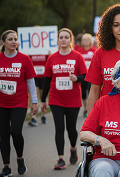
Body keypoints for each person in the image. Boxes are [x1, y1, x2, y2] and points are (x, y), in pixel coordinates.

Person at [40, 28, 87, 169]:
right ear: (58, 40)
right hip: (56, 98)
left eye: (66, 37)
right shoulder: (52, 58)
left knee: (71, 129)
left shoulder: (77, 56)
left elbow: (85, 77)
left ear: (71, 40)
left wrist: (76, 78)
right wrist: (43, 100)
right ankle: (60, 158)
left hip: (73, 98)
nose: (63, 39)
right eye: (61, 37)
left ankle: (73, 148)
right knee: (59, 127)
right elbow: (47, 80)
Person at [0, 30, 38, 176]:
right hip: (0, 102)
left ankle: (20, 158)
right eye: (10, 39)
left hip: (19, 101)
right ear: (3, 42)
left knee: (16, 131)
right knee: (4, 134)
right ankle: (6, 167)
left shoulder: (25, 59)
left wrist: (34, 101)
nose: (13, 42)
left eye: (15, 39)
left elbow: (30, 82)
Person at [76, 33, 97, 117]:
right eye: (84, 40)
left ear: (90, 41)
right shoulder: (79, 51)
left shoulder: (94, 50)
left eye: (87, 39)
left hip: (92, 74)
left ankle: (91, 108)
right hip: (82, 75)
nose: (86, 41)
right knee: (83, 93)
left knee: (90, 91)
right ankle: (85, 108)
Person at [29, 53, 48, 126]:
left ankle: (43, 115)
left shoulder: (45, 50)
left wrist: (49, 54)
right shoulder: (31, 51)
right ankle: (33, 118)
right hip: (34, 76)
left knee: (43, 97)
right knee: (33, 96)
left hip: (44, 76)